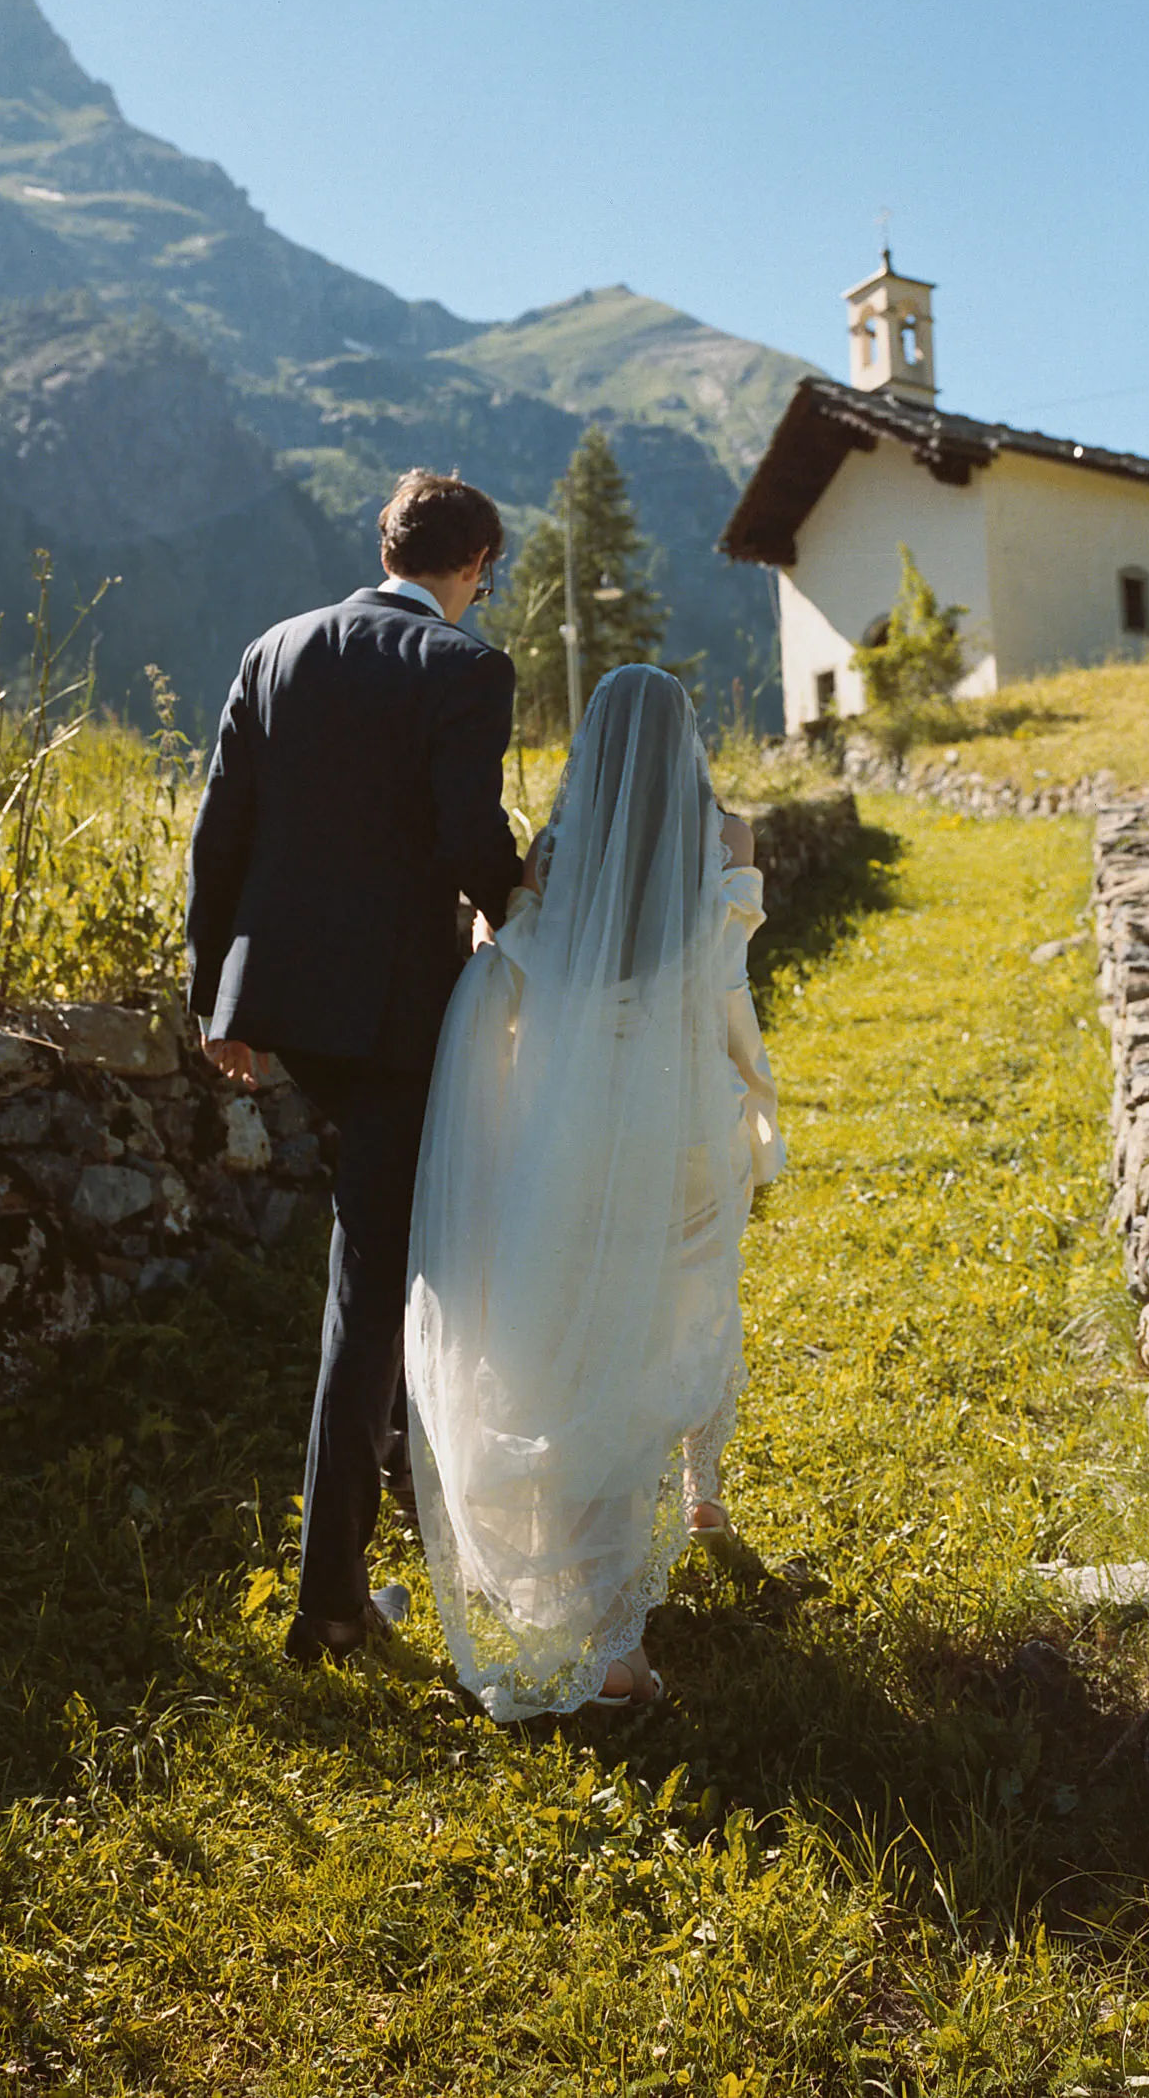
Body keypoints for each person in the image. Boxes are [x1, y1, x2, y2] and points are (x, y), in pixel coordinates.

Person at [186, 468, 525, 1665]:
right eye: (492, 570)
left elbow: (220, 831)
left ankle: (400, 1483)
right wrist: (531, 915)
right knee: (369, 1290)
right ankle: (329, 1605)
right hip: (392, 1019)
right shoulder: (466, 669)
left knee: (388, 1255)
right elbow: (464, 834)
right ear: (475, 560)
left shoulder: (274, 648)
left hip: (287, 1005)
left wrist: (212, 998)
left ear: (386, 546)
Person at [404, 664, 784, 1718]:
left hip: (576, 1129)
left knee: (593, 1339)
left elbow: (518, 976)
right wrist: (756, 1099)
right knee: (688, 1301)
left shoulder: (557, 855)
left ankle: (613, 1624)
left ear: (592, 747)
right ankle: (695, 1510)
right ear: (686, 740)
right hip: (683, 1124)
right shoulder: (728, 841)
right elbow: (725, 988)